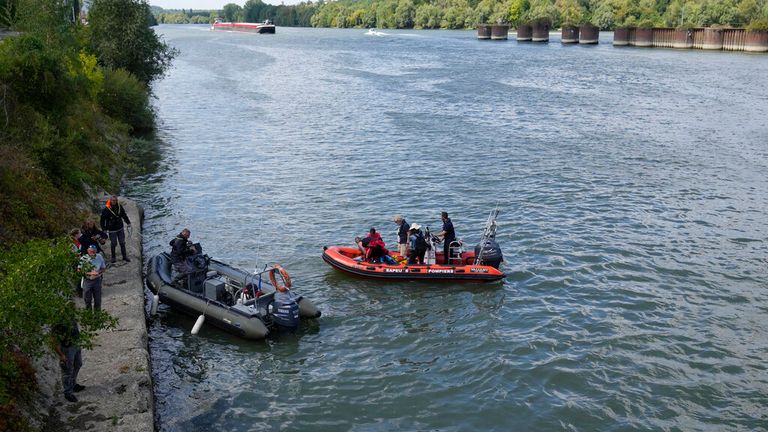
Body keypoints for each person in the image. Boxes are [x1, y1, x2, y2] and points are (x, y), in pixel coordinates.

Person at [53, 318, 84, 403]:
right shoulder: (57, 321)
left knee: (78, 364)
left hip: (76, 344)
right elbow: (53, 339)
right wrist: (61, 354)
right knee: (67, 370)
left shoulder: (70, 315)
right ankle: (68, 392)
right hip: (67, 348)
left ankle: (73, 384)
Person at [100, 195, 131, 264]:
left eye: (115, 200)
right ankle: (113, 257)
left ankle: (124, 256)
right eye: (113, 200)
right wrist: (104, 229)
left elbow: (124, 215)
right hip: (112, 229)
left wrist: (128, 222)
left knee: (122, 242)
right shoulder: (106, 209)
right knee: (113, 243)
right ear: (110, 200)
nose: (114, 202)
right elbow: (102, 220)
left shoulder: (120, 207)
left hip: (120, 227)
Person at [79, 245, 107, 311]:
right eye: (91, 251)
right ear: (88, 251)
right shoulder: (84, 258)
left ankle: (97, 317)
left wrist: (98, 273)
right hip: (87, 280)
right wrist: (90, 273)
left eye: (94, 252)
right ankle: (89, 317)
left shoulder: (99, 257)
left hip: (97, 279)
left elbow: (103, 268)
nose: (93, 253)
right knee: (87, 300)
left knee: (98, 300)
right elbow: (79, 270)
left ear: (96, 251)